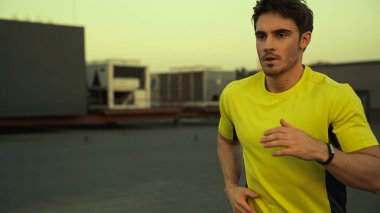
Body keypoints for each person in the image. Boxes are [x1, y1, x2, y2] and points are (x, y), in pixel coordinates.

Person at [217, 0, 380, 212]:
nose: (268, 45)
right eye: (261, 36)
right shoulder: (234, 94)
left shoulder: (335, 96)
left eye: (281, 34)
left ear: (304, 39)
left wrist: (321, 151)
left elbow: (376, 178)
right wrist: (231, 187)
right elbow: (226, 140)